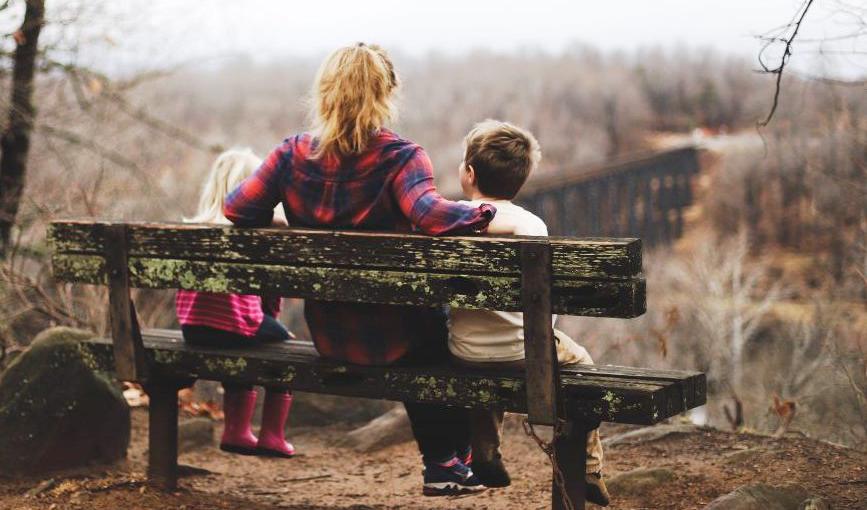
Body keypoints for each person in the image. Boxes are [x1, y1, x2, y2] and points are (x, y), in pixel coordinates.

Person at [223, 43, 496, 496]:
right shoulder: (401, 157)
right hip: (399, 338)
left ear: (325, 93)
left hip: (331, 335)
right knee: (440, 333)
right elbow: (429, 214)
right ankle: (447, 461)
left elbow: (237, 208)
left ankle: (452, 462)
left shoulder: (291, 155)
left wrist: (279, 219)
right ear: (387, 93)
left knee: (427, 330)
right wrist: (482, 213)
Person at [447, 120, 610, 506]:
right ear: (520, 180)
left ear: (469, 174)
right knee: (582, 363)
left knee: (485, 362)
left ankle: (485, 453)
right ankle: (589, 467)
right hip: (527, 352)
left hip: (464, 351)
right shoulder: (531, 225)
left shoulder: (450, 220)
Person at [177, 148, 296, 458]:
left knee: (244, 340)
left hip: (193, 328)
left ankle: (237, 431)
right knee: (285, 347)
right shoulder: (253, 232)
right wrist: (271, 319)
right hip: (235, 326)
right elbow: (269, 291)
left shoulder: (194, 229)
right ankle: (271, 435)